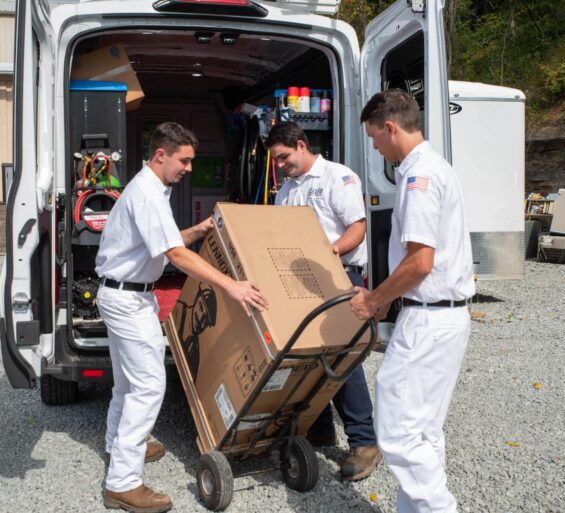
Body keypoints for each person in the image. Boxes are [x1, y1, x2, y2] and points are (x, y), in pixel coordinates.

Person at [95, 122, 268, 512]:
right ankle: (122, 482)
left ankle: (115, 445)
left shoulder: (149, 189)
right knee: (149, 386)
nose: (189, 168)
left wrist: (199, 229)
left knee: (127, 384)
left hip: (126, 295)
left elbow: (161, 242)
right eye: (184, 160)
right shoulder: (148, 194)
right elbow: (174, 254)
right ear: (161, 155)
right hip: (128, 300)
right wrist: (232, 285)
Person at [351, 90, 475, 513]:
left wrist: (373, 301)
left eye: (373, 137)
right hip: (444, 317)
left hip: (428, 320)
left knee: (400, 428)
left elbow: (420, 262)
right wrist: (388, 300)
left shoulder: (418, 177)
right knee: (423, 430)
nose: (373, 146)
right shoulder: (437, 168)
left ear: (389, 127)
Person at [265, 121, 381, 482]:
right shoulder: (287, 190)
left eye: (284, 158)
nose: (281, 165)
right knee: (309, 353)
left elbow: (357, 228)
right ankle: (320, 429)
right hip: (301, 281)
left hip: (339, 275)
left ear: (301, 146)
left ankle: (364, 442)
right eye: (277, 161)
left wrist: (326, 252)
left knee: (342, 358)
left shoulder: (338, 177)